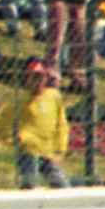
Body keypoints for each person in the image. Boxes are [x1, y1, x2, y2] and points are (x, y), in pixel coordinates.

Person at [13, 60, 68, 188]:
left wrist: (60, 149)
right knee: (30, 185)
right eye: (32, 77)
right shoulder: (22, 102)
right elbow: (4, 124)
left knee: (61, 185)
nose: (37, 81)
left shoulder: (54, 96)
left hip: (48, 150)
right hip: (29, 151)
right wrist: (18, 138)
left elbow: (62, 125)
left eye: (40, 77)